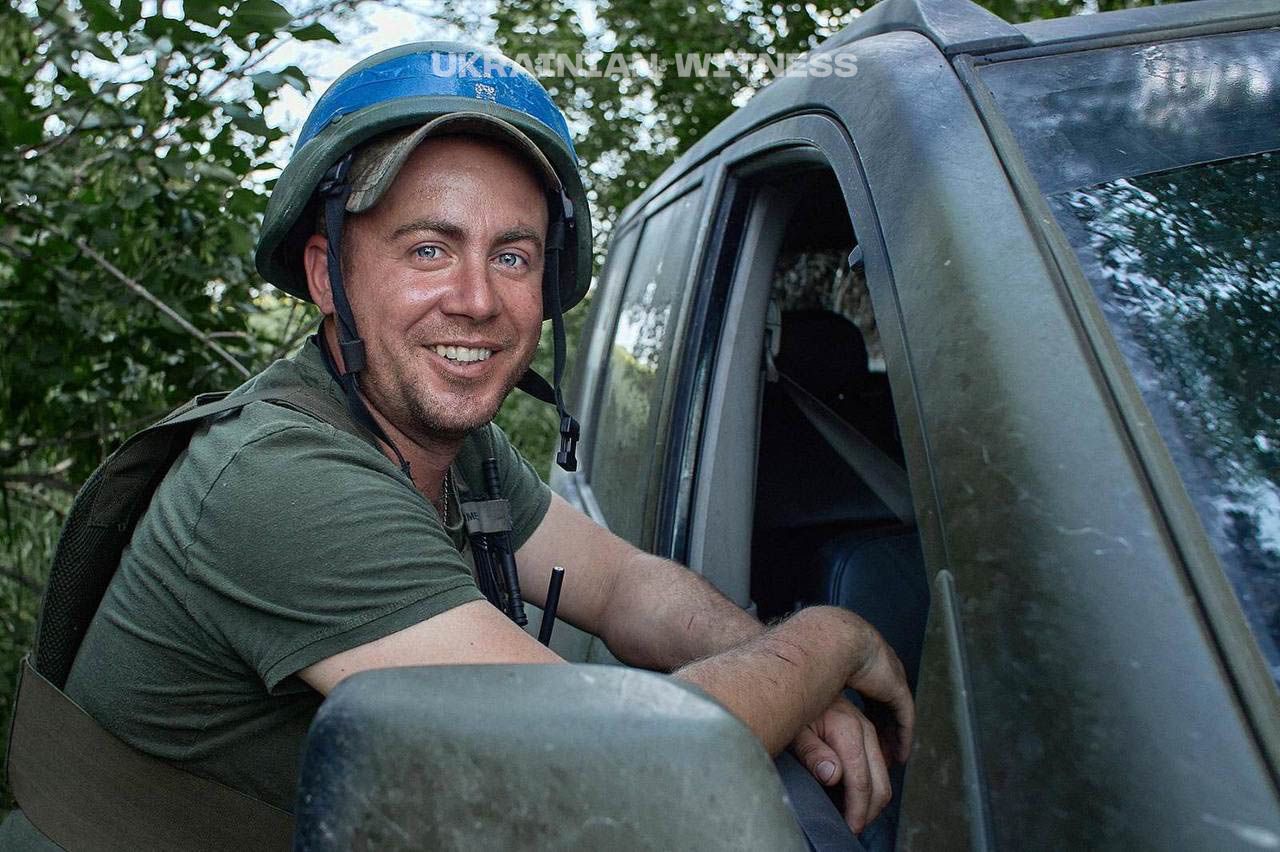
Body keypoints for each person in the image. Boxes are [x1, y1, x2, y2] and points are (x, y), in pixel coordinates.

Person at [57, 41, 913, 843]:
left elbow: (623, 588)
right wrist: (828, 641)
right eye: (430, 248)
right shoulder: (283, 481)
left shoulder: (456, 447)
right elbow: (603, 774)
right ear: (327, 275)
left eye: (512, 257)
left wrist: (784, 682)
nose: (475, 300)